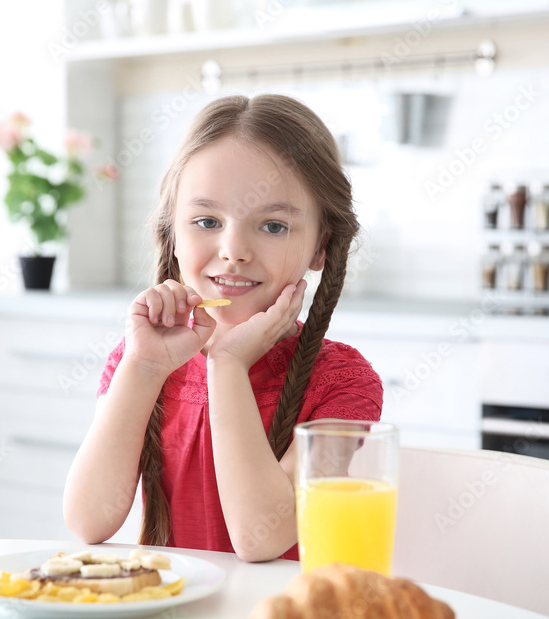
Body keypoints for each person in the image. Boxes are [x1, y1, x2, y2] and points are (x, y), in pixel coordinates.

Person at [64, 94, 383, 562]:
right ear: (173, 233)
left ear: (321, 247)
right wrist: (144, 367)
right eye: (207, 221)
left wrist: (228, 365)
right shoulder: (142, 363)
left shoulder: (342, 384)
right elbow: (88, 521)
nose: (234, 249)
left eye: (273, 226)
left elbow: (260, 539)